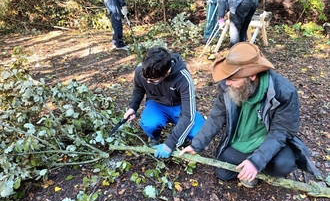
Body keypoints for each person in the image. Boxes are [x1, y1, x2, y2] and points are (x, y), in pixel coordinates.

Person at [179, 42, 321, 188]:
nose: (227, 83)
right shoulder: (228, 86)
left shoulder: (284, 92)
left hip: (269, 139)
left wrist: (256, 161)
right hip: (243, 139)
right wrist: (196, 145)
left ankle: (257, 164)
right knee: (223, 173)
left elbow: (281, 131)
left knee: (283, 165)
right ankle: (251, 164)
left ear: (252, 76)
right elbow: (216, 117)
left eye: (233, 79)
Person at [123, 47, 205, 159]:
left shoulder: (183, 78)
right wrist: (133, 107)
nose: (148, 82)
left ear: (167, 72)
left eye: (152, 81)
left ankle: (182, 136)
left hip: (179, 107)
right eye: (145, 78)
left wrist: (170, 144)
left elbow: (188, 115)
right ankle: (154, 137)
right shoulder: (141, 70)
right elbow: (139, 89)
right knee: (149, 124)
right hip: (156, 104)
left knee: (200, 134)